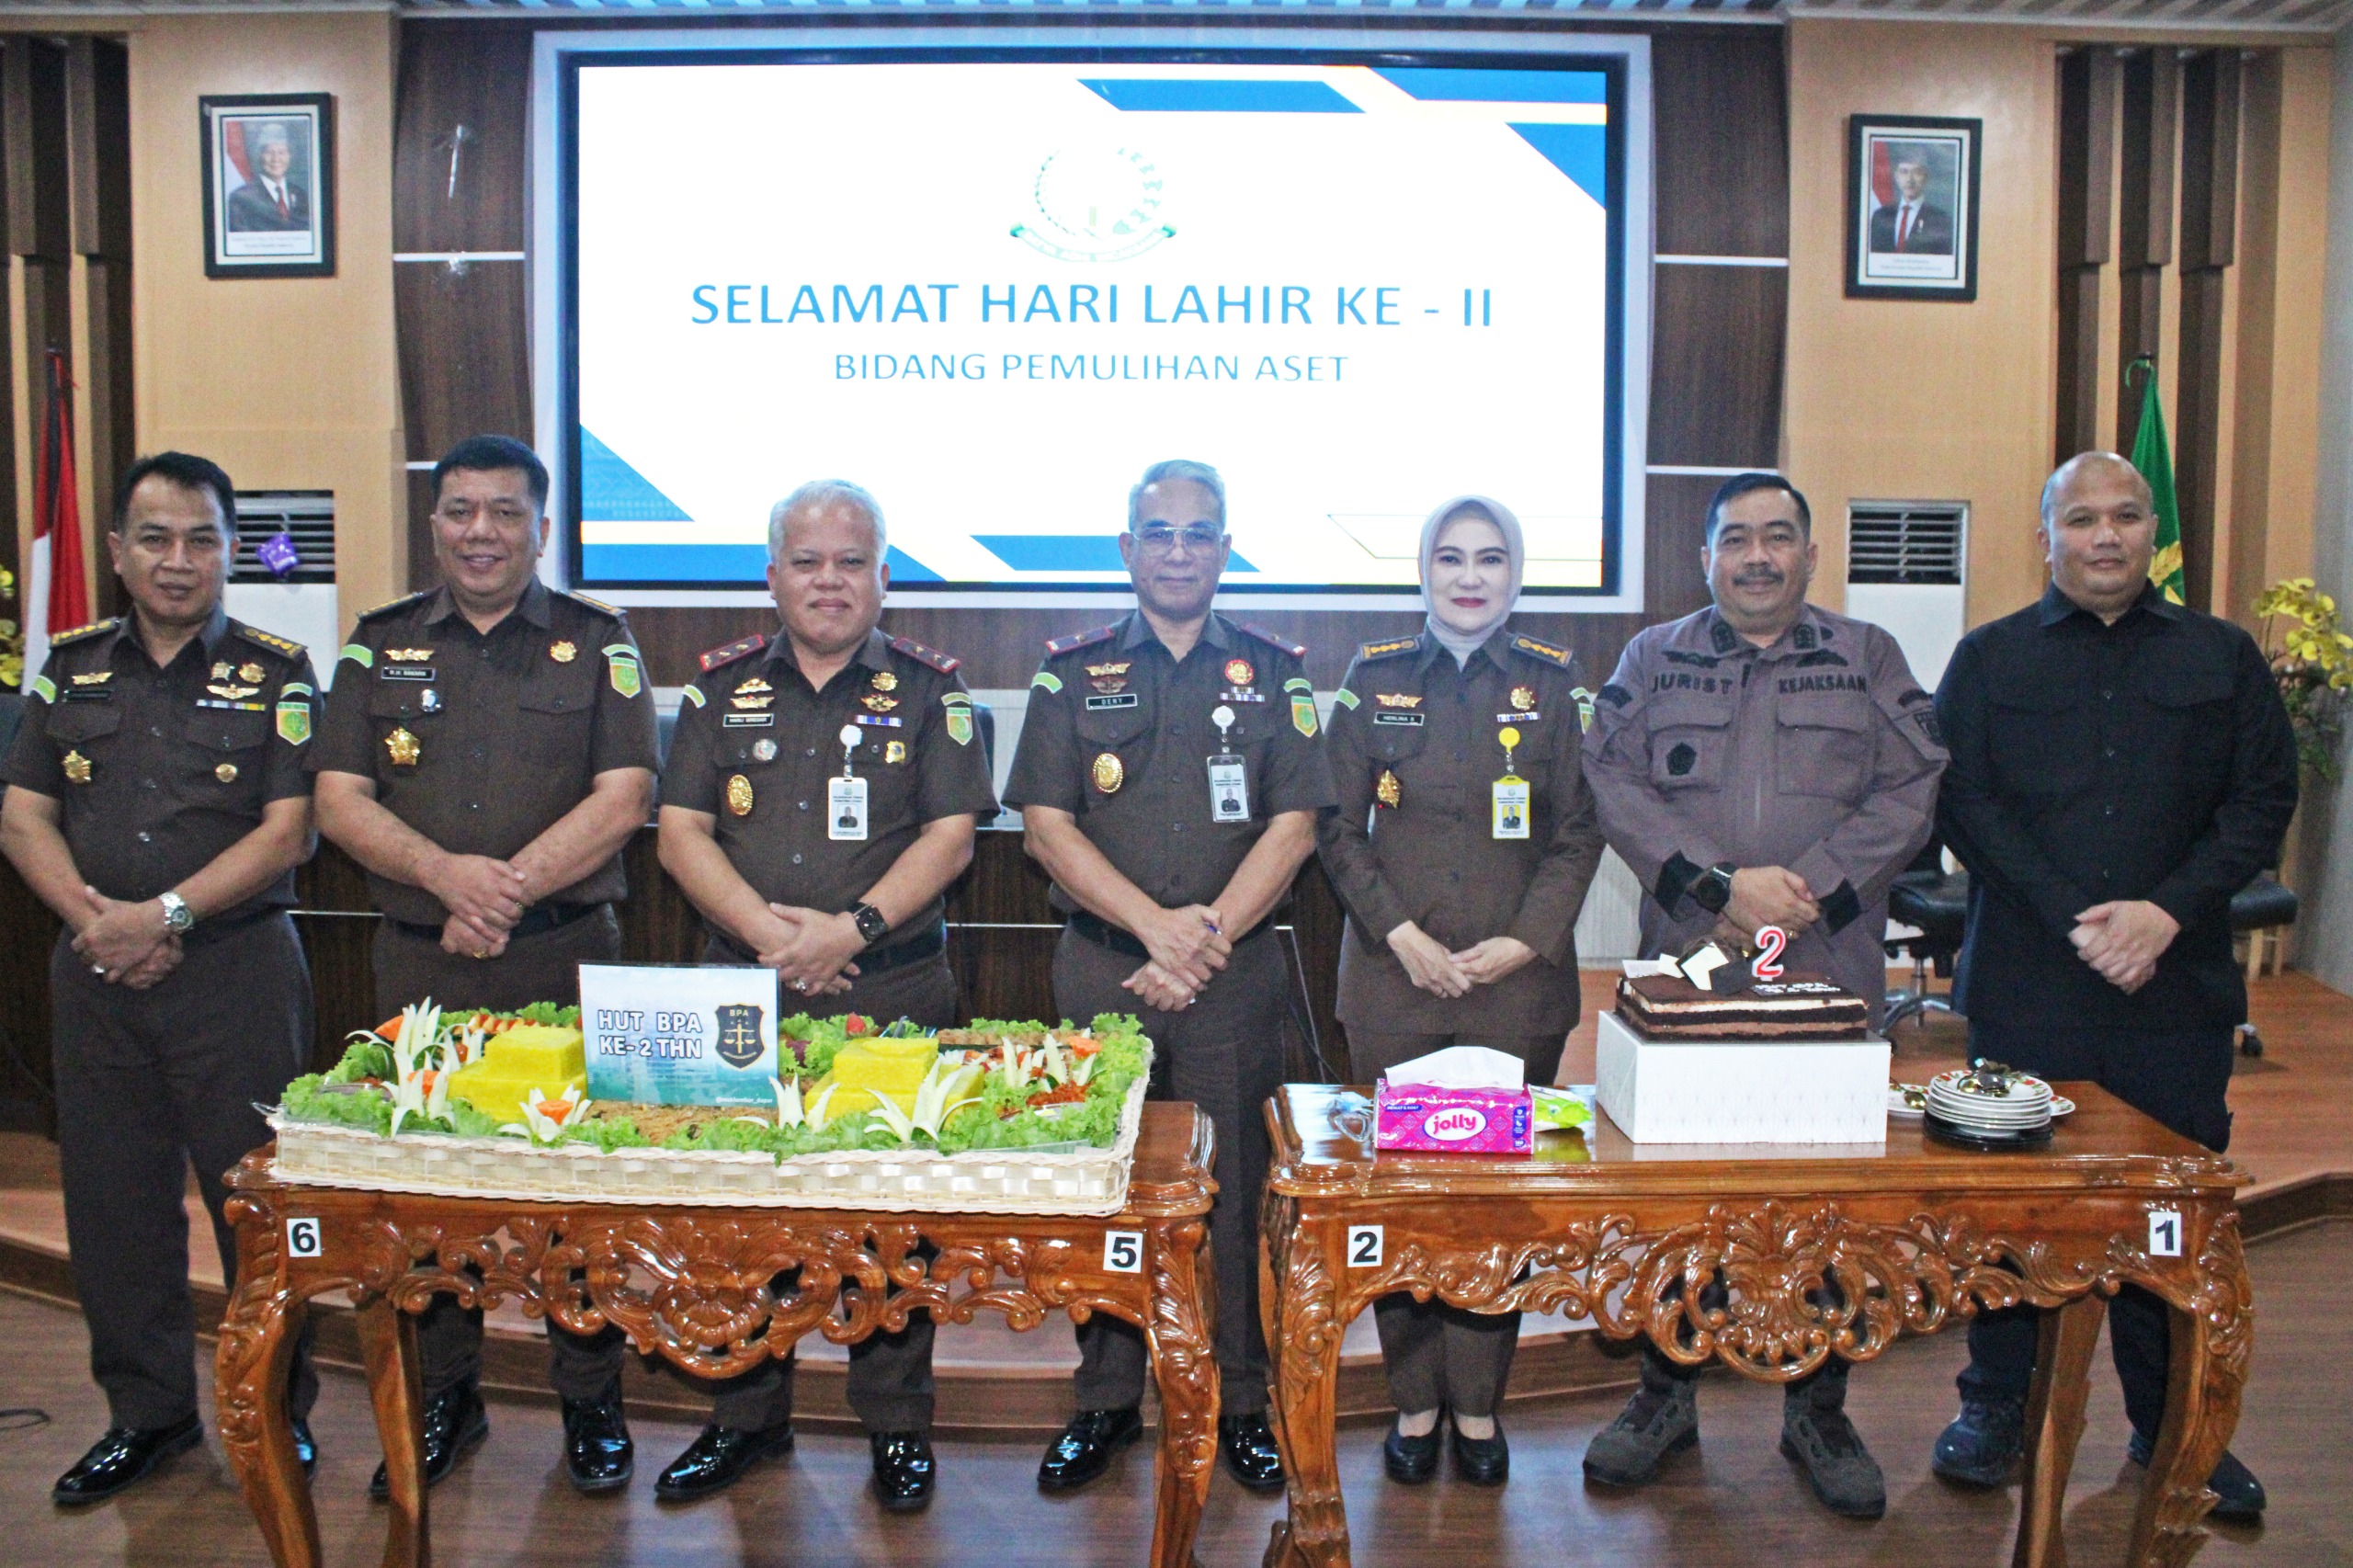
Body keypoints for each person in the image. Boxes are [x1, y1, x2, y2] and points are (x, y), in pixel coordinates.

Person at [1927, 451, 2293, 1522]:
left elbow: (2262, 797)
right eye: (2079, 517)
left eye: (2124, 516)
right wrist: (2076, 919)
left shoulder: (2222, 655)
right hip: (2029, 982)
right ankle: (1994, 1406)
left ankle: (2172, 1420)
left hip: (2172, 986)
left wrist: (2164, 912)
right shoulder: (1988, 657)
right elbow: (1962, 802)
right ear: (2044, 536)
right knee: (2012, 1209)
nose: (2103, 535)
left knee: (2167, 1213)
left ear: (2151, 533)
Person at [1580, 471, 1948, 1519]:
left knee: (1829, 1191)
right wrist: (1717, 886)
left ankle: (1819, 1409)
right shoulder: (1654, 656)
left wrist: (1807, 889)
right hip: (1691, 954)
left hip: (1826, 954)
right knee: (1674, 1189)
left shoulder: (1867, 655)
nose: (1756, 555)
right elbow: (1610, 777)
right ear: (1705, 557)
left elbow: (1915, 784)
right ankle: (1664, 1396)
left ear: (1809, 554)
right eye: (1735, 538)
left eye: (1777, 536)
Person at [312, 435, 658, 1499]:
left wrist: (499, 891)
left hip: (560, 954)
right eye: (460, 510)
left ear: (541, 529)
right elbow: (338, 797)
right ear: (434, 523)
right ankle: (446, 1398)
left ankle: (589, 1402)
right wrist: (445, 879)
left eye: (505, 512)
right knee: (428, 1194)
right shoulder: (377, 645)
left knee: (574, 1192)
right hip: (423, 966)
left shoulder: (599, 641)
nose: (480, 531)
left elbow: (626, 794)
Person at [655, 479, 997, 1511]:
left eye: (851, 562)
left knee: (888, 1216)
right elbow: (681, 831)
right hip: (742, 993)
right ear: (773, 575)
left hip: (887, 985)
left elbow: (951, 836)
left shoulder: (934, 692)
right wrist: (773, 940)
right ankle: (743, 1418)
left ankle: (895, 1425)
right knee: (738, 1215)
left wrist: (849, 931)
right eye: (807, 562)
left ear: (883, 577)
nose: (829, 581)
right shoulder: (717, 690)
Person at [1006, 458, 1335, 1496]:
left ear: (1226, 550)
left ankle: (1241, 1398)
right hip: (1105, 974)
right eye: (1160, 533)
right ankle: (1105, 1397)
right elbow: (1045, 826)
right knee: (1105, 1184)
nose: (1179, 551)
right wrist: (1155, 930)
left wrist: (1202, 941)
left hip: (1231, 979)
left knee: (1233, 1190)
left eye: (1199, 534)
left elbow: (1296, 825)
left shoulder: (1275, 673)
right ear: (1127, 549)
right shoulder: (1070, 673)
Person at [1, 452, 323, 1504]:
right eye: (155, 538)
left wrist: (165, 914)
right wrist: (98, 923)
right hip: (96, 972)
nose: (177, 560)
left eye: (200, 539)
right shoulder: (69, 668)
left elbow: (288, 830)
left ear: (231, 551)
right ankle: (147, 1413)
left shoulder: (278, 673)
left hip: (235, 970)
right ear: (116, 550)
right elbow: (23, 814)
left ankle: (275, 1407)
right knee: (113, 1203)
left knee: (256, 1205)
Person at [1315, 495, 1606, 1487]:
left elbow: (1580, 829)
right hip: (1393, 983)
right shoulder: (1372, 677)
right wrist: (1397, 934)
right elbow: (1335, 825)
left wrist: (1524, 942)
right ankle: (1414, 1399)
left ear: (1516, 575)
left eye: (1490, 559)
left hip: (1513, 991)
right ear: (1423, 571)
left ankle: (1478, 1405)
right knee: (1404, 1197)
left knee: (1492, 1205)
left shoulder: (1556, 684)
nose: (1470, 576)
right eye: (1450, 557)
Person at [1869, 147, 1953, 256]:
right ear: (1896, 177)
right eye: (1904, 172)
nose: (1910, 179)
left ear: (1926, 177)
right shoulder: (1880, 216)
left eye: (1917, 172)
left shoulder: (1940, 220)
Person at [226, 122, 309, 233]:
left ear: (289, 156)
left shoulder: (300, 195)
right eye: (269, 152)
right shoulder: (241, 198)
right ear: (260, 156)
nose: (276, 159)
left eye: (282, 152)